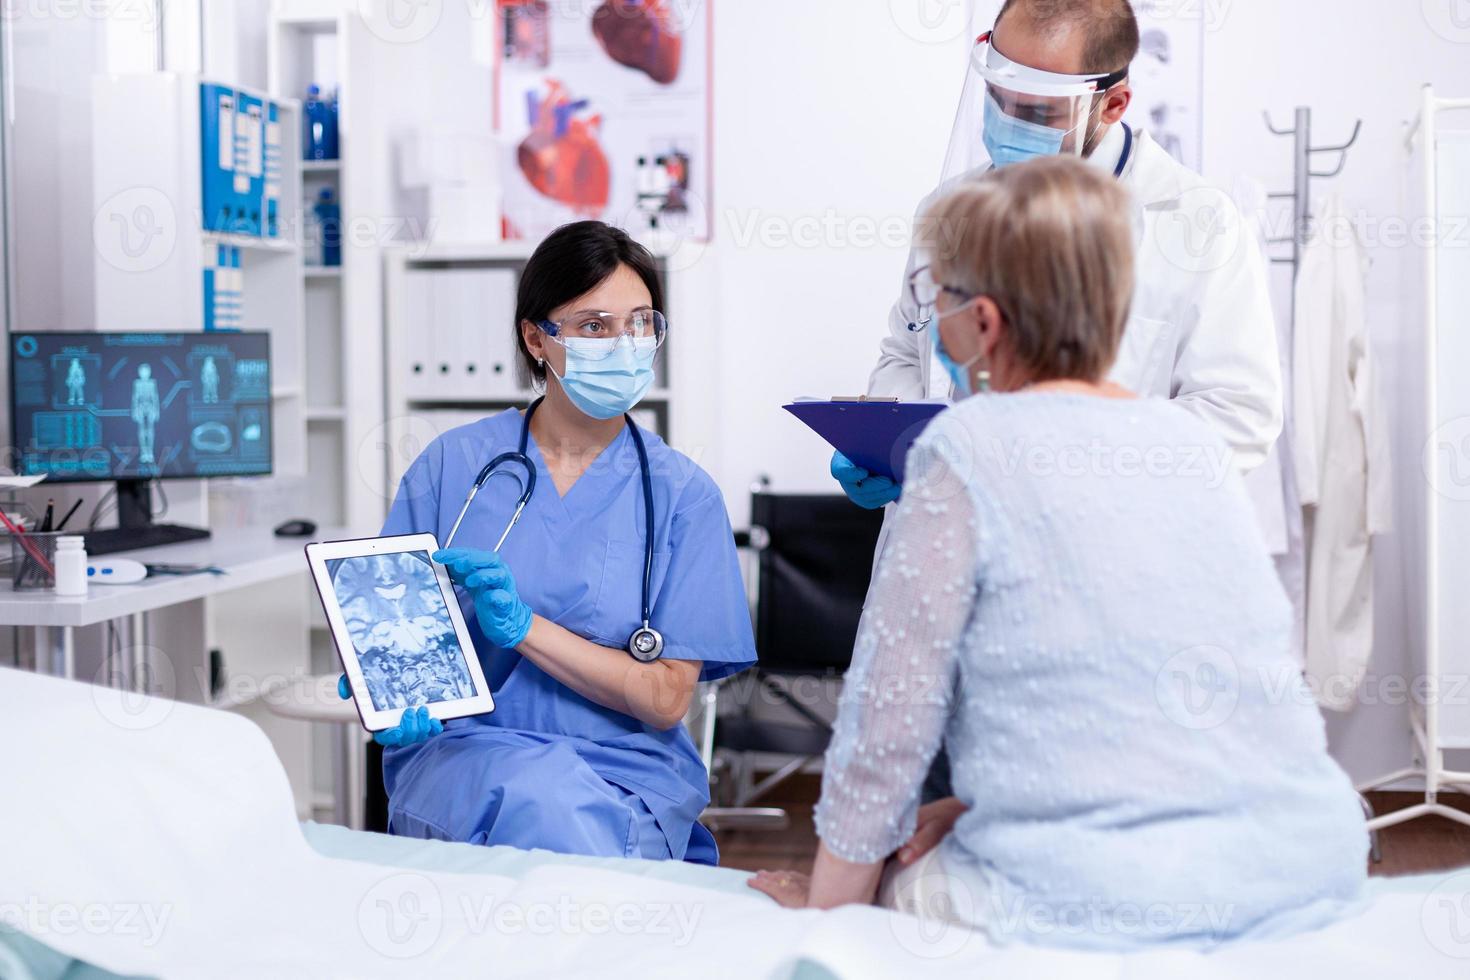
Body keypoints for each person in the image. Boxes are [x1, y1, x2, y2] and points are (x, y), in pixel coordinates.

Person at [750, 157, 1367, 948]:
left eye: (935, 296)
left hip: (1104, 898)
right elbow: (1154, 708)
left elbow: (885, 735)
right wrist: (979, 808)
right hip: (1302, 863)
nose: (927, 316)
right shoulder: (1192, 447)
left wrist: (832, 914)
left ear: (985, 324)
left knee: (907, 886)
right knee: (944, 834)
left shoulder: (962, 451)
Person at [340, 220, 756, 864]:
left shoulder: (682, 494)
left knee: (559, 811)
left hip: (629, 770)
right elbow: (396, 639)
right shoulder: (453, 466)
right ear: (537, 339)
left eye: (641, 322)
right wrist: (386, 692)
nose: (624, 343)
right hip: (465, 752)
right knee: (546, 804)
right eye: (594, 326)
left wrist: (524, 628)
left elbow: (668, 698)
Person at [833, 0, 1281, 511]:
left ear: (1113, 104)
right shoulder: (948, 208)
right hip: (944, 527)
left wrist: (1071, 462)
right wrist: (890, 445)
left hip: (1096, 537)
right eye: (997, 97)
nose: (1006, 121)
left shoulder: (1199, 224)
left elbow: (1238, 415)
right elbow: (904, 352)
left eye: (1037, 112)